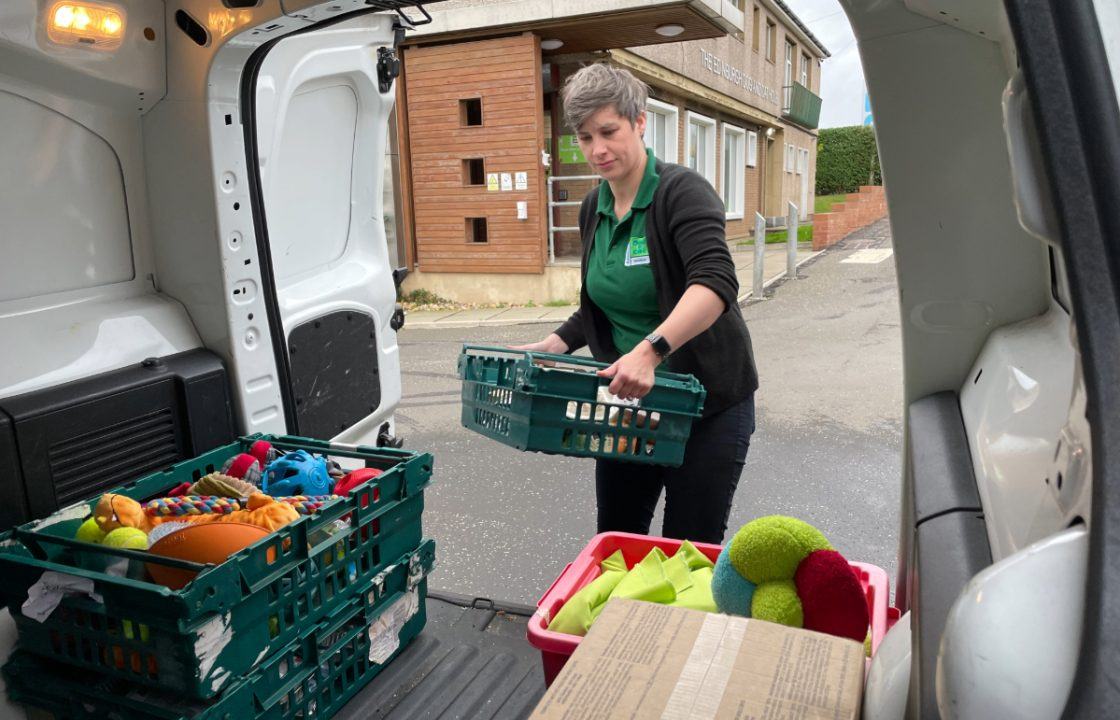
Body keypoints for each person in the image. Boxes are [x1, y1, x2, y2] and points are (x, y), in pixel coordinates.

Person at [516, 63, 758, 544]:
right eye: (585, 138)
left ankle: (672, 623)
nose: (597, 150)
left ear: (640, 122)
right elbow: (600, 306)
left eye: (609, 131)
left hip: (706, 406)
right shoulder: (594, 207)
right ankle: (624, 621)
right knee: (618, 538)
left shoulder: (680, 192)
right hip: (630, 407)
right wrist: (553, 345)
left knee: (686, 548)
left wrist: (650, 352)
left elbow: (714, 283)